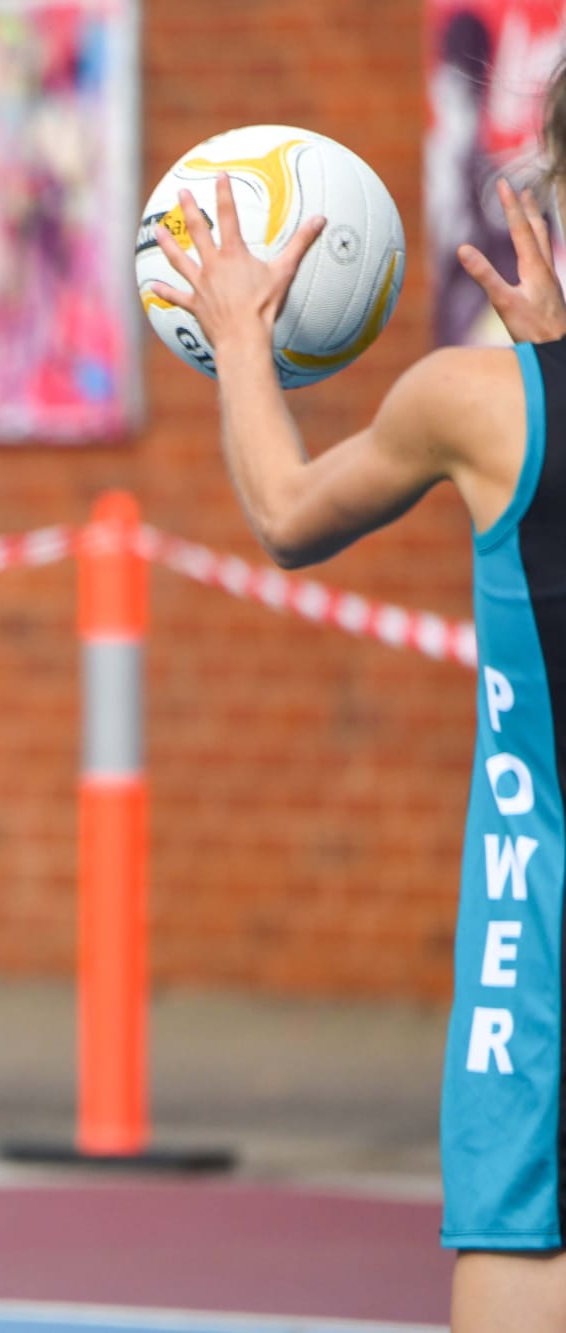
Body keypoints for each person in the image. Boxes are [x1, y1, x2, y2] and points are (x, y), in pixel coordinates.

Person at [147, 72, 566, 1333]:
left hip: (543, 917)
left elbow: (283, 512)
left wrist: (234, 334)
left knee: (522, 1230)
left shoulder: (485, 404)